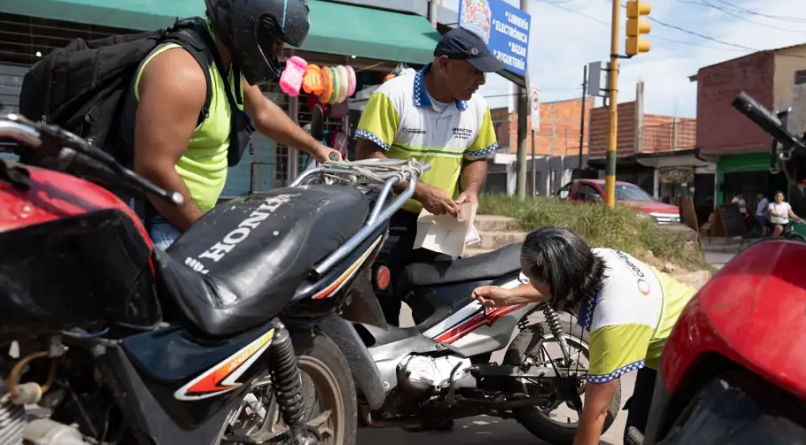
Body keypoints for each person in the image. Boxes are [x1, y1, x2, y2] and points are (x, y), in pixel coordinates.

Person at [122, 0, 340, 250]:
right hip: (161, 221)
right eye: (277, 44)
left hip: (193, 218)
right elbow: (154, 171)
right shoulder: (183, 73)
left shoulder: (227, 64)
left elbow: (263, 112)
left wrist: (317, 149)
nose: (280, 56)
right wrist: (208, 234)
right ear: (249, 26)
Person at [471, 226, 697, 445]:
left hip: (691, 353)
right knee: (637, 433)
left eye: (529, 276)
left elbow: (595, 415)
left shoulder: (613, 320)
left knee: (651, 436)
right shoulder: (598, 257)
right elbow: (557, 284)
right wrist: (509, 296)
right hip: (676, 324)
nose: (527, 282)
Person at [355, 27, 502, 326]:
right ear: (444, 64)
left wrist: (471, 191)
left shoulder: (478, 107)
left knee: (444, 309)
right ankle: (379, 370)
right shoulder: (393, 95)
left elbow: (477, 157)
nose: (481, 81)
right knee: (381, 309)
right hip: (389, 219)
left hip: (441, 224)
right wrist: (419, 190)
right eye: (473, 71)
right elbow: (368, 158)